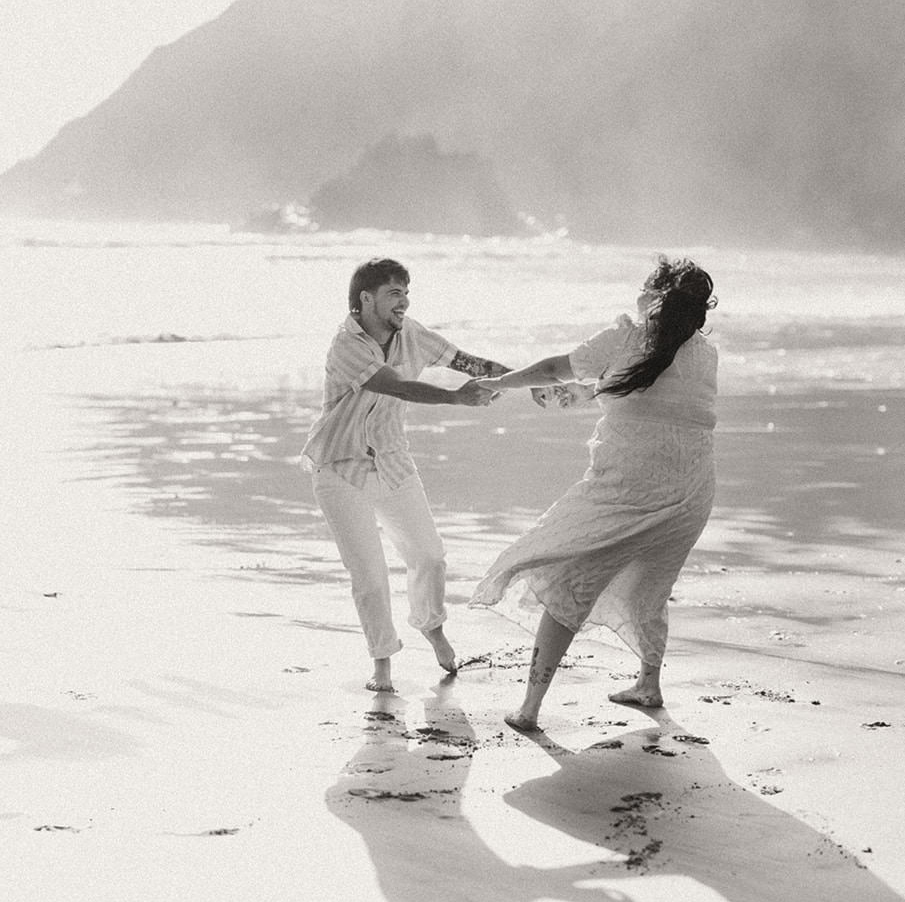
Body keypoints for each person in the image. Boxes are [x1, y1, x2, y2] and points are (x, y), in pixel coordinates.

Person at [470, 255, 718, 732]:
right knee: (651, 586)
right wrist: (589, 394)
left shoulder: (627, 337)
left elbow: (554, 367)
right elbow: (659, 398)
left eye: (644, 289)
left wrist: (501, 382)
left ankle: (529, 709)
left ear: (655, 297)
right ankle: (648, 684)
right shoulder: (703, 354)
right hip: (691, 494)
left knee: (568, 583)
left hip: (627, 491)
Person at [302, 257, 510, 696]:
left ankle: (431, 628)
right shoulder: (346, 343)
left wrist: (530, 381)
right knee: (370, 575)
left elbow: (466, 362)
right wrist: (457, 400)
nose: (404, 301)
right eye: (395, 292)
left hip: (392, 461)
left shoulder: (411, 332)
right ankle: (382, 662)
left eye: (406, 292)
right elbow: (393, 385)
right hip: (339, 467)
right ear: (366, 298)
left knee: (430, 556)